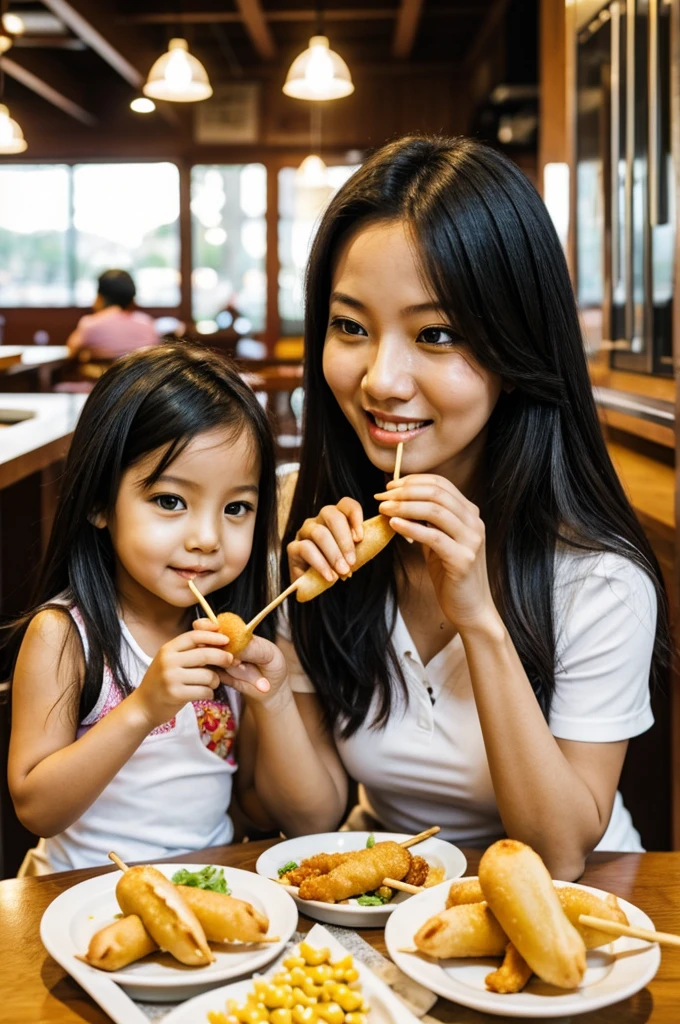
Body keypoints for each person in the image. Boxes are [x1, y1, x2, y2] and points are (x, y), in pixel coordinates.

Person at [235, 135, 670, 880]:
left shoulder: (598, 577)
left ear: (515, 345)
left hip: (583, 902)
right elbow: (307, 815)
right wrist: (270, 673)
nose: (381, 379)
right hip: (394, 885)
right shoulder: (298, 523)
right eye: (350, 327)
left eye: (435, 334)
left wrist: (477, 616)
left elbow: (560, 851)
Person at [7, 343, 289, 872]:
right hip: (80, 900)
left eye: (236, 508)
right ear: (98, 502)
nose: (206, 538)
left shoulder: (232, 641)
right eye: (170, 501)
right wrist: (143, 708)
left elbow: (255, 805)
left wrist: (274, 702)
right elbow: (36, 808)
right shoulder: (64, 635)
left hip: (211, 884)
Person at [66, 269, 158, 360]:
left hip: (102, 374)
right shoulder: (147, 323)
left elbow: (71, 352)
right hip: (143, 374)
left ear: (100, 297)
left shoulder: (91, 323)